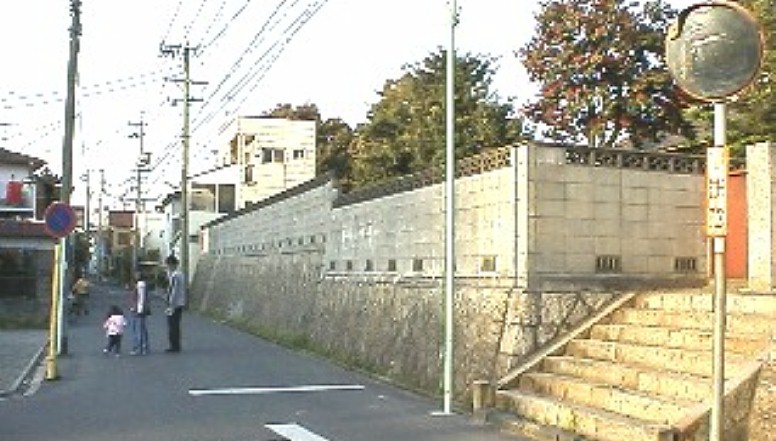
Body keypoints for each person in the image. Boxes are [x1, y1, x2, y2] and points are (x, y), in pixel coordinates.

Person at [164, 255, 186, 353]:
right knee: (176, 325)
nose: (167, 267)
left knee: (172, 325)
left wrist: (170, 304)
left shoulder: (175, 276)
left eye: (168, 265)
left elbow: (173, 290)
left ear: (171, 265)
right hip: (180, 302)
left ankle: (174, 346)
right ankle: (176, 345)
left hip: (174, 304)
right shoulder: (180, 274)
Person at [130, 271, 150, 355]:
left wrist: (139, 309)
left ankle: (139, 347)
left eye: (137, 274)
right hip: (139, 308)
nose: (135, 276)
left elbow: (141, 298)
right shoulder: (141, 284)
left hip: (139, 309)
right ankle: (144, 347)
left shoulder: (140, 284)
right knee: (142, 328)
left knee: (138, 329)